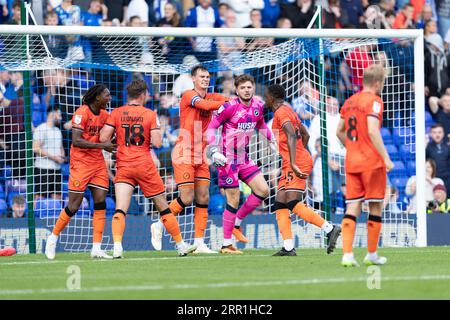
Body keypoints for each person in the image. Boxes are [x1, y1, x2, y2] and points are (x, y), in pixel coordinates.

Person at [99, 79, 196, 258]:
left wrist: (118, 141)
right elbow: (158, 142)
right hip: (144, 165)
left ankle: (117, 247)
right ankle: (181, 245)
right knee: (163, 207)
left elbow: (103, 137)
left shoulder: (117, 113)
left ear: (128, 95)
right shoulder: (150, 114)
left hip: (124, 165)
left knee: (120, 209)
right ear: (143, 95)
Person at [150, 65, 228, 254]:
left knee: (204, 197)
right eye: (202, 76)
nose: (206, 79)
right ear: (193, 78)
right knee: (186, 197)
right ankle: (159, 224)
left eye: (208, 76)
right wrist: (223, 104)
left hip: (202, 154)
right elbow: (204, 106)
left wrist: (233, 102)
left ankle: (199, 243)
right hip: (184, 152)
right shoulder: (188, 95)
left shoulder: (212, 96)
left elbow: (230, 101)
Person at [265, 84, 341, 256]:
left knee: (291, 202)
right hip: (294, 160)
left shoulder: (281, 112)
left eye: (266, 96)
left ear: (271, 98)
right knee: (280, 203)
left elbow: (292, 135)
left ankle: (329, 229)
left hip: (294, 162)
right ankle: (288, 247)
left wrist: (294, 161)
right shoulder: (290, 111)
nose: (265, 99)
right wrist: (299, 154)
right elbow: (304, 135)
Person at [45, 84, 117, 260]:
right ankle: (53, 237)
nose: (109, 98)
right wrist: (103, 146)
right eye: (107, 96)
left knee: (101, 202)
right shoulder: (81, 113)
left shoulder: (105, 115)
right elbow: (76, 141)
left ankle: (97, 248)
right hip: (80, 164)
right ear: (97, 97)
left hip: (98, 163)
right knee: (74, 205)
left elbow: (110, 135)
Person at [206, 74, 275, 254]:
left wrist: (271, 139)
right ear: (237, 90)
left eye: (249, 87)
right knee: (233, 198)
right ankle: (226, 244)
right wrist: (213, 151)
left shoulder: (259, 106)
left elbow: (261, 125)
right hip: (226, 159)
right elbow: (211, 127)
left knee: (263, 190)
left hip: (244, 157)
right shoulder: (229, 107)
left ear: (253, 88)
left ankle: (236, 223)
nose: (246, 90)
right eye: (243, 88)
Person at [336, 64, 394, 267]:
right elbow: (372, 130)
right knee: (375, 205)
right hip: (371, 162)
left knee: (353, 205)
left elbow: (339, 131)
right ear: (378, 83)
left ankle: (347, 255)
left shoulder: (350, 101)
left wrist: (352, 147)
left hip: (352, 161)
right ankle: (371, 254)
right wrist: (385, 157)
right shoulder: (375, 101)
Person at [32, 106, 65, 200]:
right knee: (40, 196)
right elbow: (35, 148)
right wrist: (54, 158)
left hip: (56, 169)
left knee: (57, 196)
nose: (61, 118)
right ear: (52, 114)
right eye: (59, 115)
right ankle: (37, 214)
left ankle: (56, 215)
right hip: (43, 168)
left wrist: (62, 156)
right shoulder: (41, 129)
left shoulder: (58, 130)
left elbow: (61, 148)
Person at [426, 124, 450, 190]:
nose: (437, 135)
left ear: (443, 133)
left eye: (439, 132)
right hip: (433, 179)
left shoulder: (448, 147)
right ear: (430, 134)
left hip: (447, 180)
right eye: (434, 132)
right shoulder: (427, 147)